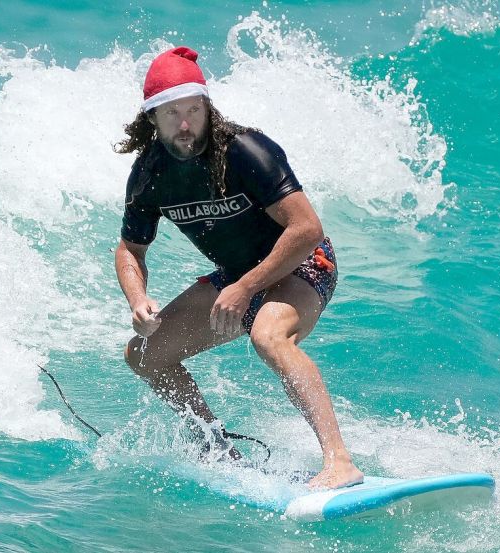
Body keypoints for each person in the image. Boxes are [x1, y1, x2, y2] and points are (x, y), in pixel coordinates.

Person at [113, 46, 363, 490]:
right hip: (237, 276)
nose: (186, 124)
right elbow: (131, 249)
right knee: (145, 353)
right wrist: (137, 299)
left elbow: (306, 228)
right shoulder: (149, 174)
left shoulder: (246, 150)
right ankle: (218, 450)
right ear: (151, 117)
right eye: (172, 114)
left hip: (304, 263)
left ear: (207, 106)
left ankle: (339, 462)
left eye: (194, 110)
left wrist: (247, 286)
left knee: (269, 335)